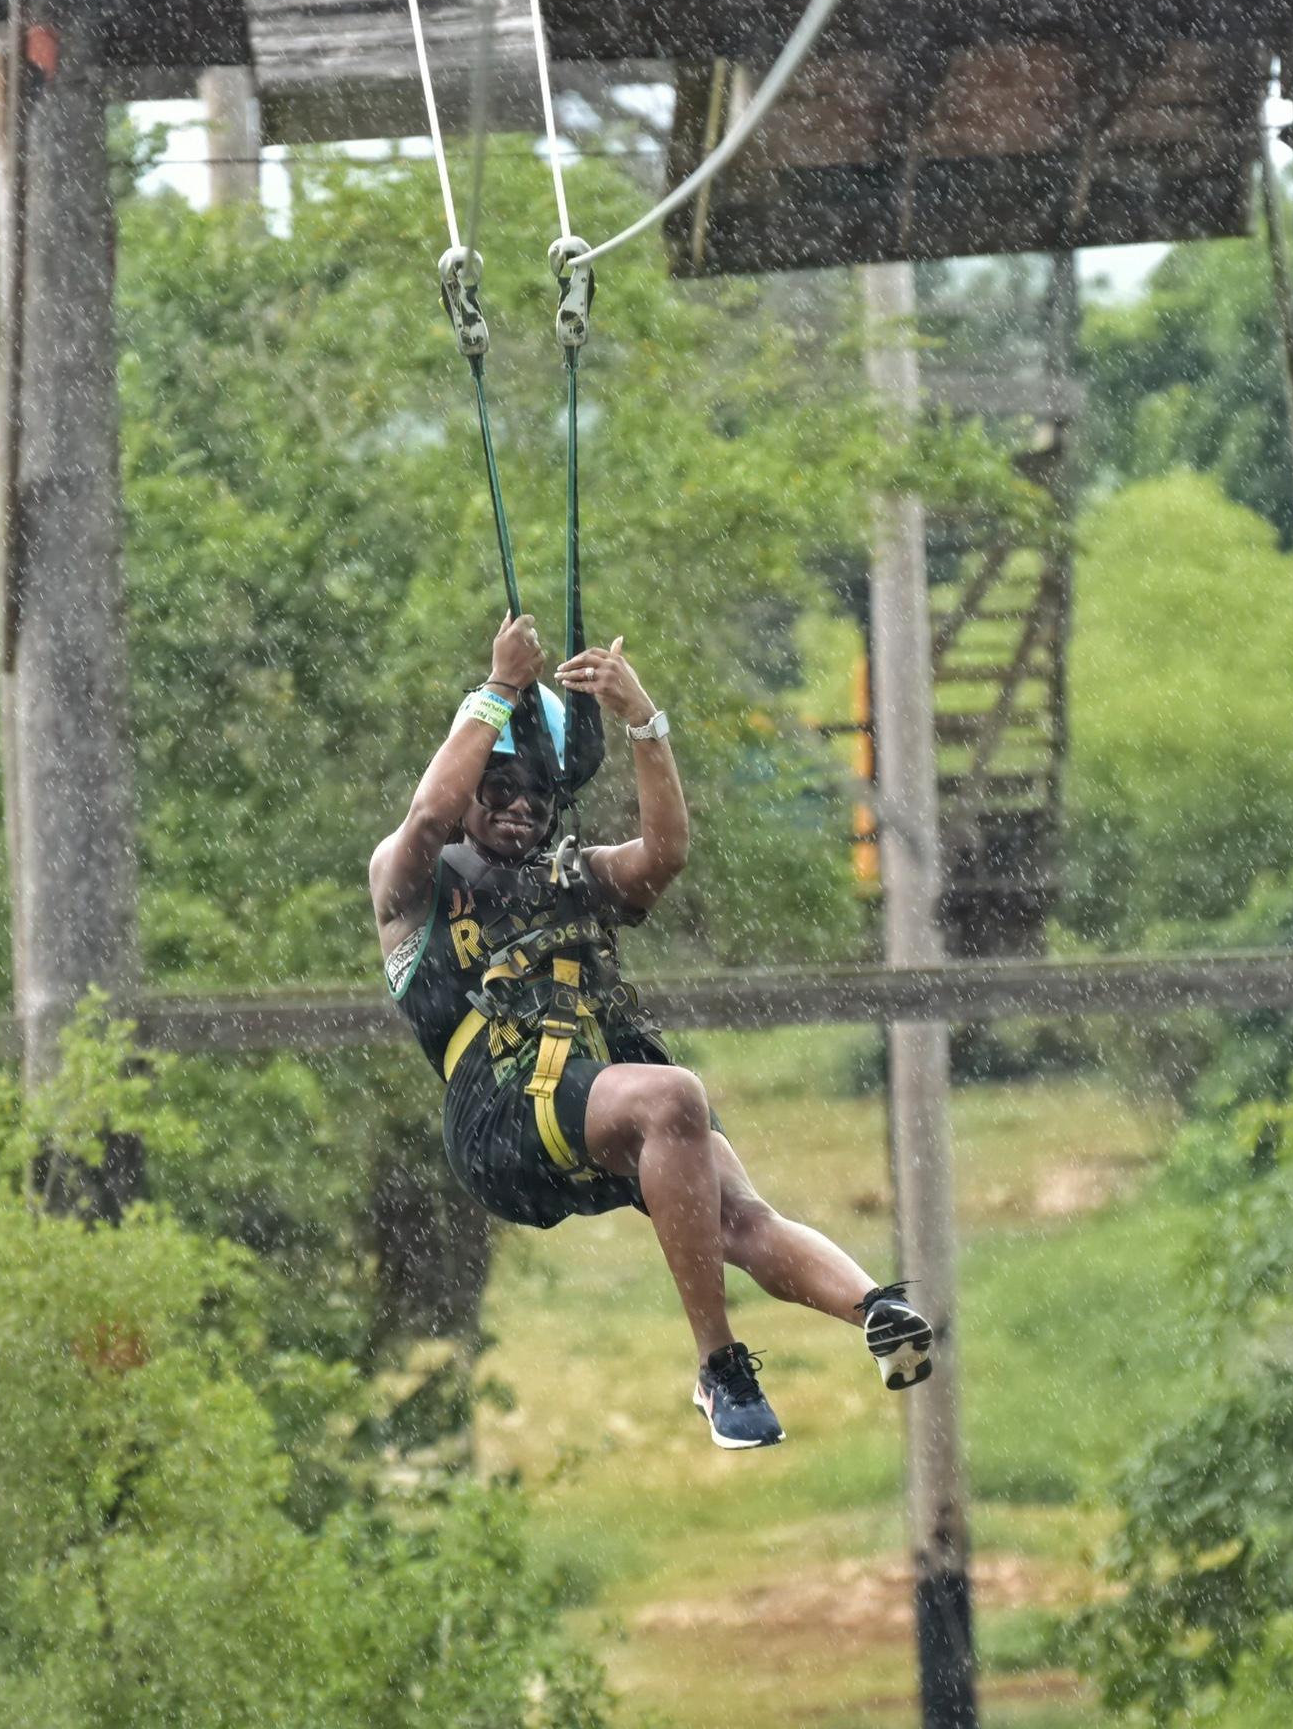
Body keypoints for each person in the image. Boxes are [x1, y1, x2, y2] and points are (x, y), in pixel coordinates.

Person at [369, 612, 934, 1450]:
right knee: (675, 1097)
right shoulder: (411, 883)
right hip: (497, 1116)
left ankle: (875, 1311)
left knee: (732, 1210)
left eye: (536, 795)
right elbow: (424, 820)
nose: (519, 809)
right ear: (469, 795)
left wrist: (644, 721)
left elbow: (665, 851)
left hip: (590, 1089)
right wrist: (500, 690)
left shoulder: (576, 877)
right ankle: (720, 1368)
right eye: (498, 791)